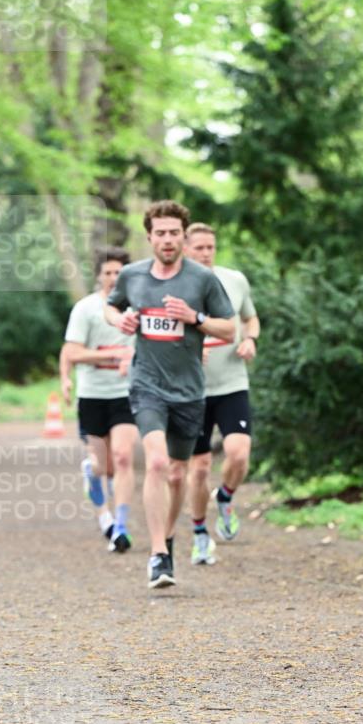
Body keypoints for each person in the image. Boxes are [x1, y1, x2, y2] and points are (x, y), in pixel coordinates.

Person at [105, 200, 235, 589]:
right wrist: (122, 318)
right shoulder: (132, 276)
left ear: (183, 235)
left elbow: (229, 330)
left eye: (174, 233)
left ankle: (168, 539)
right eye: (159, 233)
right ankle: (158, 554)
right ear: (149, 237)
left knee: (177, 474)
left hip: (189, 391)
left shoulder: (202, 280)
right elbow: (111, 309)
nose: (167, 239)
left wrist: (194, 318)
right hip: (147, 386)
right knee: (158, 463)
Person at [184, 223, 260, 565]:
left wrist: (250, 339)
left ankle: (225, 497)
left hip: (231, 382)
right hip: (191, 390)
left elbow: (251, 319)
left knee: (239, 453)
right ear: (186, 249)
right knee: (198, 467)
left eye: (210, 247)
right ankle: (200, 534)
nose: (205, 253)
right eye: (198, 247)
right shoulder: (177, 285)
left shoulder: (234, 280)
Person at [60, 248, 138, 553]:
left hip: (126, 394)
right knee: (101, 466)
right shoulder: (85, 309)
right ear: (99, 276)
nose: (113, 278)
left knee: (123, 457)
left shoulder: (138, 307)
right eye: (107, 273)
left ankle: (120, 524)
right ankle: (103, 515)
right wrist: (112, 354)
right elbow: (73, 352)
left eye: (119, 273)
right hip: (92, 396)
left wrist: (132, 357)